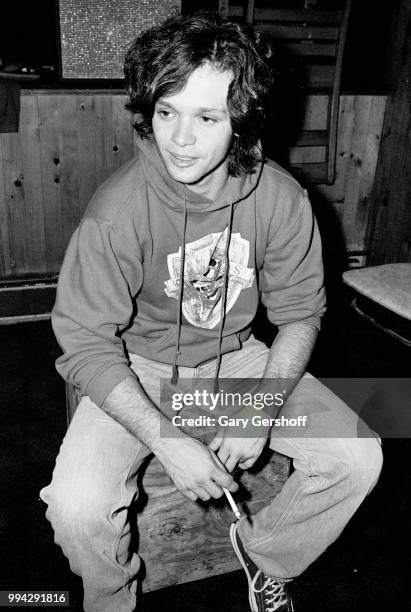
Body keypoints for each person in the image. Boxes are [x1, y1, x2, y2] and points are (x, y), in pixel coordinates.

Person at [40, 12, 383, 612]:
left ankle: (267, 553)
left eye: (206, 117)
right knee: (76, 508)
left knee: (358, 456)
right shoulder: (115, 213)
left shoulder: (281, 198)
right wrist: (169, 439)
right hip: (136, 366)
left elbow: (301, 312)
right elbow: (87, 345)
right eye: (167, 111)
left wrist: (260, 406)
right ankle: (111, 600)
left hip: (237, 360)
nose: (179, 139)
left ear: (242, 120)